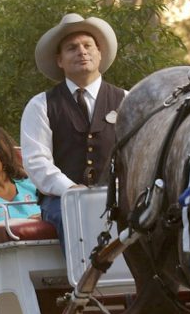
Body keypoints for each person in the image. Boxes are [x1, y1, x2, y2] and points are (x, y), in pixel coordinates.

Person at [20, 13, 125, 251]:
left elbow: (139, 154)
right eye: (72, 48)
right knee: (76, 219)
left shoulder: (127, 100)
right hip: (61, 200)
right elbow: (37, 161)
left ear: (99, 53)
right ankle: (86, 287)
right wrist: (70, 190)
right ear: (59, 60)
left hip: (118, 195)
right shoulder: (41, 105)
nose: (81, 51)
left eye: (88, 45)